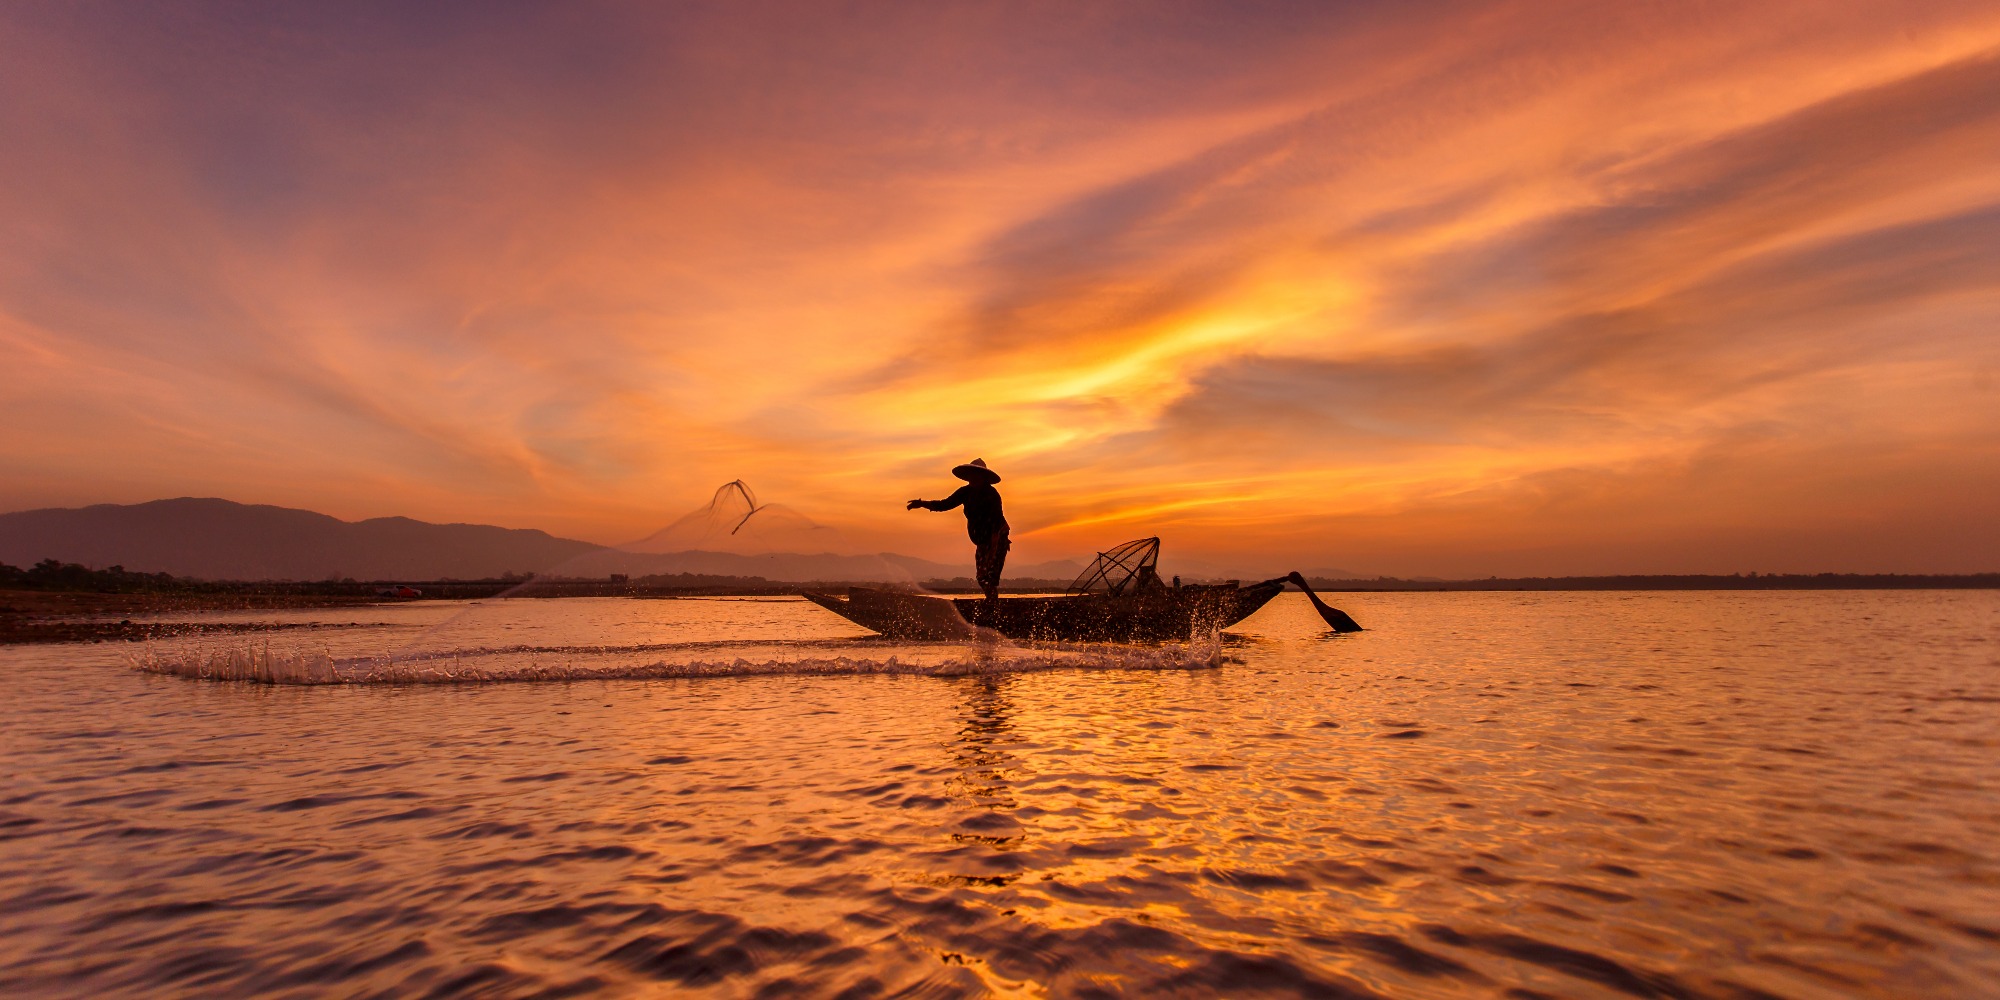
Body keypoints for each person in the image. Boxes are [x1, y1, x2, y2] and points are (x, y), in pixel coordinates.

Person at [907, 458, 1009, 600]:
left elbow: (996, 518)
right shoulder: (965, 492)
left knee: (990, 576)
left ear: (984, 477)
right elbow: (945, 504)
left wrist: (994, 541)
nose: (973, 478)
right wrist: (922, 504)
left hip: (997, 536)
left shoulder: (991, 494)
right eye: (971, 475)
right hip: (982, 539)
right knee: (981, 577)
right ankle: (991, 602)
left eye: (976, 475)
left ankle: (993, 605)